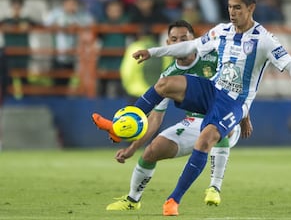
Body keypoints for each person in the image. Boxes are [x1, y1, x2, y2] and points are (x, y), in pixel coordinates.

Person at [127, 0, 291, 216]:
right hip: (212, 90)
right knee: (166, 83)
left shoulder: (264, 39)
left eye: (237, 8)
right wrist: (153, 52)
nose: (232, 12)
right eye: (229, 7)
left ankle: (173, 200)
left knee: (205, 138)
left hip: (233, 103)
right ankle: (128, 121)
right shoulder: (222, 31)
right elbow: (192, 45)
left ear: (251, 8)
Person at [92, 20, 253, 210]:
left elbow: (237, 87)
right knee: (151, 152)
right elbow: (155, 118)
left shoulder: (215, 57)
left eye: (183, 39)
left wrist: (245, 117)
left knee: (217, 129)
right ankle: (132, 200)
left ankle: (214, 187)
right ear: (168, 44)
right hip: (193, 122)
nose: (178, 43)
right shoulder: (168, 76)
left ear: (194, 40)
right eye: (174, 39)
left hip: (226, 118)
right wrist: (133, 148)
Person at [44, 0, 93, 86]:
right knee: (57, 83)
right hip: (59, 55)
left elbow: (90, 22)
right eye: (69, 4)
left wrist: (78, 26)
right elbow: (46, 22)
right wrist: (56, 26)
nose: (71, 6)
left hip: (73, 56)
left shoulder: (80, 16)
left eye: (73, 4)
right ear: (64, 4)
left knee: (70, 82)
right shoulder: (57, 14)